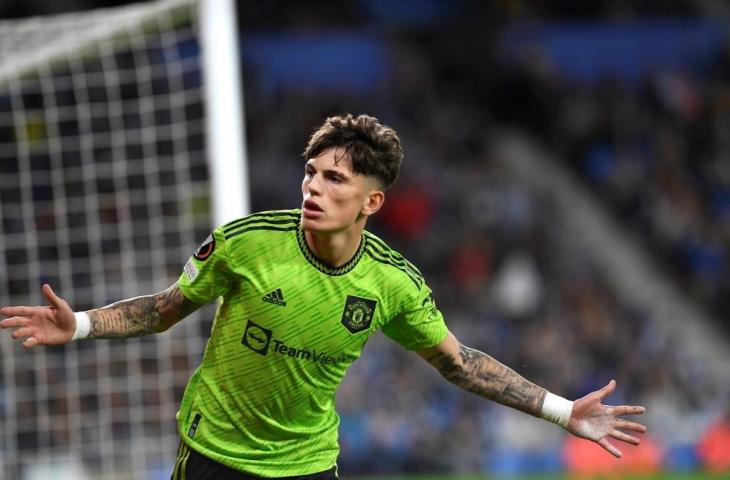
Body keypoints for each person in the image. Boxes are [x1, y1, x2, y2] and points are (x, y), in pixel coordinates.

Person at [0, 114, 646, 480]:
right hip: (214, 456)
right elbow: (165, 310)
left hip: (307, 465)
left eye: (334, 178)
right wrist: (82, 324)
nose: (313, 186)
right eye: (310, 172)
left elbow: (459, 362)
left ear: (371, 201)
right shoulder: (248, 243)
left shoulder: (392, 283)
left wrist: (564, 412)